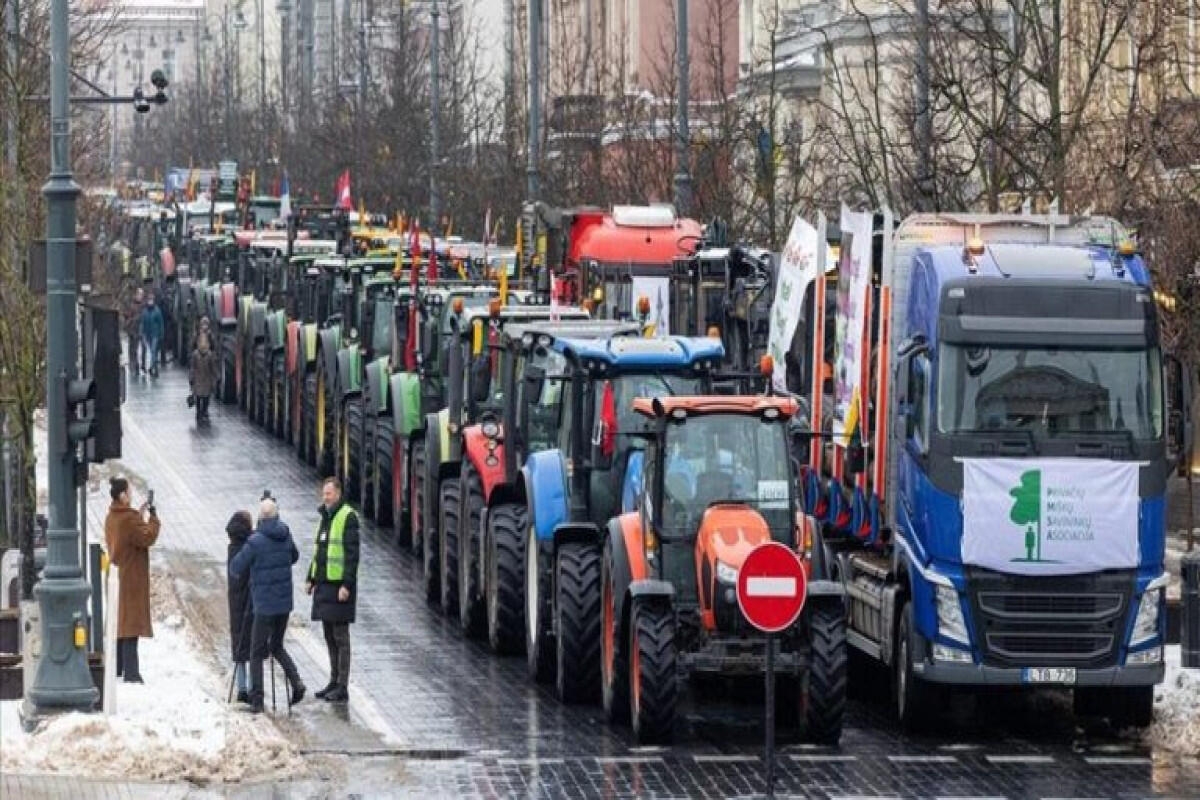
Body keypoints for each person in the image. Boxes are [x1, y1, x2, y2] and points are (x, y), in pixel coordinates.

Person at [229, 497, 305, 713]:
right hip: (284, 604)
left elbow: (236, 567)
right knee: (277, 646)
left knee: (255, 652)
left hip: (263, 605)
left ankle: (257, 700)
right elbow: (295, 556)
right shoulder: (285, 533)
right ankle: (296, 682)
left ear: (260, 518)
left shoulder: (255, 541)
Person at [307, 477, 359, 703]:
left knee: (341, 636)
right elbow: (319, 551)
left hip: (339, 587)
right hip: (325, 585)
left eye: (328, 494)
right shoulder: (324, 518)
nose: (325, 497)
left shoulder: (348, 517)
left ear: (337, 493)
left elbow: (352, 555)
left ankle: (342, 686)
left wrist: (347, 585)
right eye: (323, 494)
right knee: (329, 635)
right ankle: (333, 680)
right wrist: (310, 577)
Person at [103, 477, 160, 683]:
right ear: (122, 495)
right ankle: (132, 672)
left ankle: (118, 668)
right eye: (129, 491)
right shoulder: (128, 519)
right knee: (131, 625)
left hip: (117, 573)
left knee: (121, 621)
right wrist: (152, 518)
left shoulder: (113, 516)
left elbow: (129, 533)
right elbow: (146, 537)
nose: (132, 494)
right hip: (131, 577)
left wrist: (139, 514)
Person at [225, 511, 254, 703]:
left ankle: (241, 687)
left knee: (239, 643)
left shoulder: (232, 548)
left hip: (235, 601)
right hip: (250, 600)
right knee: (253, 645)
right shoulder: (249, 548)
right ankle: (252, 687)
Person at [189, 332, 219, 425]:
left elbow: (213, 367)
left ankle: (204, 411)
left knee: (206, 398)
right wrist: (191, 378)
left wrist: (216, 376)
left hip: (206, 380)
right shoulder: (195, 355)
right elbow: (192, 367)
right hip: (198, 380)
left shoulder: (209, 355)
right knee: (198, 398)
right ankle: (199, 412)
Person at [140, 295, 165, 377]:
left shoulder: (157, 311)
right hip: (148, 335)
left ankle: (153, 368)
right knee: (152, 351)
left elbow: (161, 323)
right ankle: (153, 367)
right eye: (149, 300)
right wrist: (142, 333)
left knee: (153, 351)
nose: (150, 301)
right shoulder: (145, 311)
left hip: (155, 334)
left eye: (151, 300)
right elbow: (142, 323)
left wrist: (161, 334)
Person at [124, 287, 144, 374]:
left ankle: (140, 365)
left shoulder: (143, 306)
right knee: (133, 349)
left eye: (141, 295)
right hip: (133, 330)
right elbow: (127, 317)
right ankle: (134, 365)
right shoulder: (131, 305)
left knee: (142, 348)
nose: (140, 296)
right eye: (139, 294)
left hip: (141, 330)